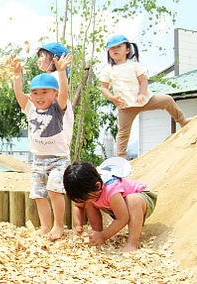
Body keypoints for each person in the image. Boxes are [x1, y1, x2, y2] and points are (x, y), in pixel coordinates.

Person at [11, 51, 73, 240]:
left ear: (54, 95)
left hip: (59, 159)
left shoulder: (57, 108)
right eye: (35, 93)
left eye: (44, 92)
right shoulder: (30, 108)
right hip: (38, 159)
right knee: (39, 194)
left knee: (54, 190)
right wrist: (17, 75)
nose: (39, 97)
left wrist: (61, 73)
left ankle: (58, 225)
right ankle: (45, 226)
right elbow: (18, 94)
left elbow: (64, 93)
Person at [100, 34, 191, 158]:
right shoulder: (108, 70)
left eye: (119, 47)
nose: (115, 50)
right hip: (125, 106)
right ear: (108, 52)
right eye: (112, 48)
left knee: (168, 100)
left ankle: (182, 121)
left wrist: (142, 93)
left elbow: (143, 81)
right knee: (123, 132)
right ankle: (120, 157)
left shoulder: (135, 65)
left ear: (127, 49)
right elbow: (104, 87)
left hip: (145, 99)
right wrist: (112, 98)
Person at [63, 157, 157, 252]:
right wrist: (78, 226)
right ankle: (97, 233)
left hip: (143, 200)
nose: (84, 201)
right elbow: (77, 206)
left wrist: (104, 236)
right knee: (90, 203)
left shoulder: (111, 189)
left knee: (133, 200)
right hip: (117, 207)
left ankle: (133, 243)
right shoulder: (90, 191)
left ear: (98, 186)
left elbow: (123, 218)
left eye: (85, 198)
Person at [34, 42, 74, 147]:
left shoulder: (55, 77)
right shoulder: (54, 77)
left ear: (55, 59)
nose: (39, 59)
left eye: (42, 55)